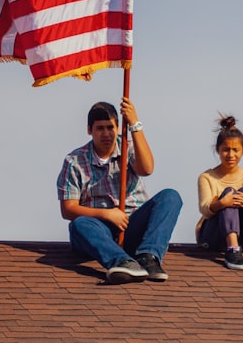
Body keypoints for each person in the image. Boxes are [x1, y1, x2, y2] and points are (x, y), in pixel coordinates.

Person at [57, 99, 182, 284]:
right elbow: (68, 209)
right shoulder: (74, 161)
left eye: (110, 127)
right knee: (79, 225)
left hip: (131, 225)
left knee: (171, 196)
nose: (106, 133)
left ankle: (148, 257)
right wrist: (107, 214)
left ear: (117, 128)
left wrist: (134, 123)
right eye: (100, 128)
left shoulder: (127, 147)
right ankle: (122, 262)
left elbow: (147, 169)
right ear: (89, 130)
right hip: (99, 229)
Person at [196, 115, 243, 270]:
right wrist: (222, 203)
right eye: (225, 150)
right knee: (229, 193)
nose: (231, 155)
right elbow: (205, 210)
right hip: (214, 236)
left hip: (242, 238)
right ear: (218, 150)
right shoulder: (207, 177)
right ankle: (232, 249)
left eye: (235, 150)